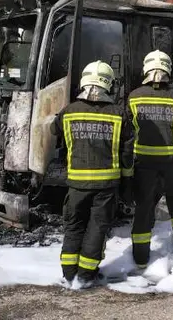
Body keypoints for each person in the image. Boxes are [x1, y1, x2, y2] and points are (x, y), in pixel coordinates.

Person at [51, 60, 134, 289]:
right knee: (97, 228)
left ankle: (69, 274)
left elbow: (53, 129)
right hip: (106, 185)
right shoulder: (119, 114)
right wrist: (127, 181)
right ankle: (86, 275)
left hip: (77, 184)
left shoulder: (69, 111)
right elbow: (127, 152)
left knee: (74, 226)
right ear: (109, 84)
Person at [127, 49, 173, 271]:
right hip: (172, 163)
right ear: (167, 70)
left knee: (144, 208)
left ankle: (141, 257)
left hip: (144, 164)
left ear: (146, 69)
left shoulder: (134, 96)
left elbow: (129, 129)